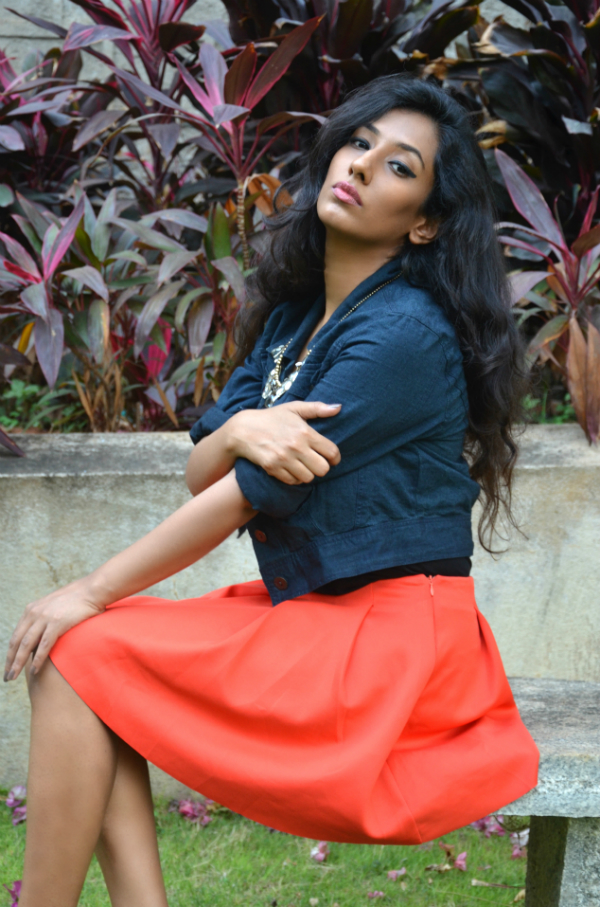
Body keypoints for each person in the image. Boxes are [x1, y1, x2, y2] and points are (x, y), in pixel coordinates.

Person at [4, 74, 540, 907]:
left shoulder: (400, 334)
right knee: (80, 660)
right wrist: (241, 428)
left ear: (425, 221)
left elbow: (239, 498)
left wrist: (91, 587)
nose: (361, 166)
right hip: (328, 611)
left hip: (399, 644)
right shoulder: (298, 317)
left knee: (81, 647)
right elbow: (205, 471)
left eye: (399, 167)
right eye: (358, 144)